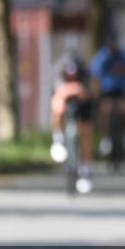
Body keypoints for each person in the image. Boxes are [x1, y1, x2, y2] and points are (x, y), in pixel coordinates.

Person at [50, 53, 95, 193]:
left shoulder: (85, 74)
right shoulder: (59, 73)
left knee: (86, 130)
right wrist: (66, 93)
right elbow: (56, 96)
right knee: (58, 109)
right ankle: (58, 138)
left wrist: (82, 93)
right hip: (64, 99)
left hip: (83, 103)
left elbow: (90, 93)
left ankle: (85, 168)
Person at [90, 32, 125, 160]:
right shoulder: (101, 57)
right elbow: (95, 77)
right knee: (105, 111)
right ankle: (105, 139)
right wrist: (96, 94)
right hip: (107, 92)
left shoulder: (124, 56)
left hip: (122, 90)